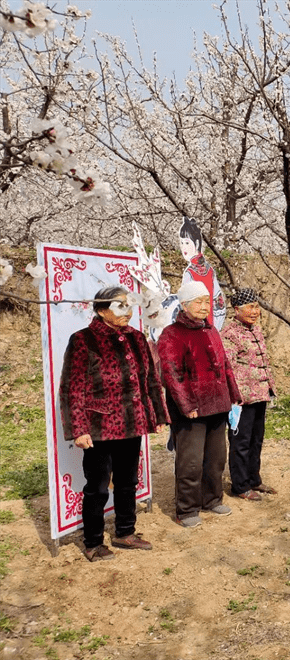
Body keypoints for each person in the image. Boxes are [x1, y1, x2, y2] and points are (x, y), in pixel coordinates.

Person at [58, 287, 169, 561]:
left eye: (129, 305)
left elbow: (151, 380)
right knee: (97, 486)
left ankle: (124, 532)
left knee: (128, 481)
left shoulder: (138, 338)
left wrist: (158, 414)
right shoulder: (83, 340)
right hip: (99, 428)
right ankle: (93, 542)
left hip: (132, 423)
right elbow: (72, 388)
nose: (128, 312)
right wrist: (79, 429)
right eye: (120, 306)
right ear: (102, 310)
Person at [158, 281, 241, 528]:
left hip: (218, 404)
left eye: (207, 301)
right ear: (183, 305)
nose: (205, 307)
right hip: (191, 410)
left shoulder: (211, 331)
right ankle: (186, 509)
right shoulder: (172, 334)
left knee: (216, 458)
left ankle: (212, 499)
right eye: (199, 301)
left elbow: (225, 365)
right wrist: (186, 405)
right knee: (190, 461)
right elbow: (172, 374)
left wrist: (232, 394)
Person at [221, 289, 277, 502]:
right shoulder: (230, 333)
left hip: (260, 394)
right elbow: (228, 368)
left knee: (256, 439)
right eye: (250, 307)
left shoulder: (256, 330)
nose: (255, 311)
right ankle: (240, 485)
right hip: (241, 398)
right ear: (237, 310)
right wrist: (235, 396)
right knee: (240, 442)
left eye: (256, 307)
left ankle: (254, 479)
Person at [179, 216, 226, 330]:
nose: (183, 247)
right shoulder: (209, 270)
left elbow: (217, 299)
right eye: (181, 243)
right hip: (210, 324)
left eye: (187, 243)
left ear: (196, 242)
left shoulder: (190, 273)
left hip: (198, 323)